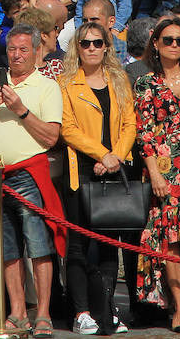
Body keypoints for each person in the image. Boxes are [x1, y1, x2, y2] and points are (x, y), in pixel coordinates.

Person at [0, 26, 63, 339]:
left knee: (38, 246)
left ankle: (44, 313)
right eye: (12, 49)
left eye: (23, 49)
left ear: (36, 50)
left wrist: (20, 109)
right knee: (6, 250)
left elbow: (51, 137)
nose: (17, 55)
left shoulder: (47, 86)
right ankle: (18, 312)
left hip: (29, 174)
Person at [58, 21, 135, 336]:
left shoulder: (118, 79)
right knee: (78, 244)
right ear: (77, 47)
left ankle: (107, 312)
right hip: (82, 170)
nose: (91, 48)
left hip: (114, 168)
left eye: (97, 43)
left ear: (107, 47)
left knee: (107, 246)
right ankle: (81, 311)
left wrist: (114, 155)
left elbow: (130, 121)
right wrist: (101, 154)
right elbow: (67, 127)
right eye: (85, 43)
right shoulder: (66, 83)